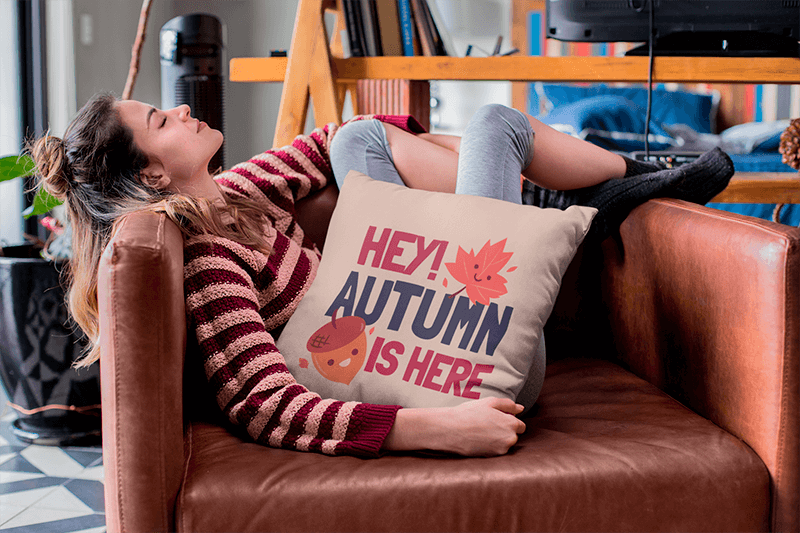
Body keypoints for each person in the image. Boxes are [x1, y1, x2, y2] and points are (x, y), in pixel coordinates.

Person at [28, 93, 733, 459]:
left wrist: (412, 135)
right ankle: (631, 184)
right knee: (495, 126)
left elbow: (320, 144)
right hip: (462, 355)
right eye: (161, 118)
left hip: (421, 308)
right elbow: (266, 404)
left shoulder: (238, 195)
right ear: (154, 172)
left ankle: (560, 203)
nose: (180, 109)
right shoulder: (212, 264)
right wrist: (434, 428)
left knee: (354, 139)